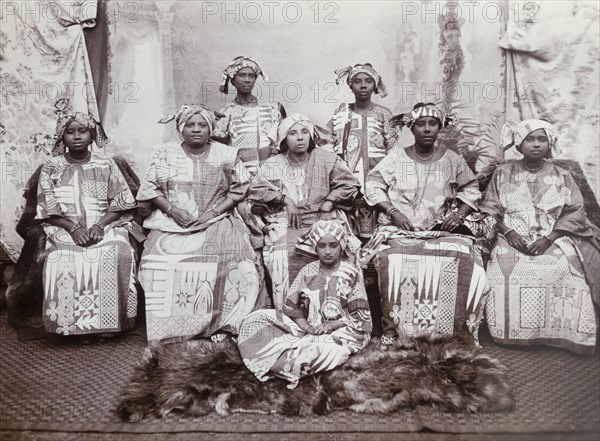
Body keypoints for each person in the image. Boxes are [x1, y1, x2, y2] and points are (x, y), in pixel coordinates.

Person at [362, 103, 488, 346]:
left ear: (440, 127)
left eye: (432, 124)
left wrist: (459, 215)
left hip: (440, 231)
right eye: (421, 124)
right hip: (399, 230)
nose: (427, 129)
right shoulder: (397, 157)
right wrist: (394, 212)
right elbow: (373, 184)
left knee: (463, 257)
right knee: (393, 260)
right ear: (412, 127)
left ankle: (450, 330)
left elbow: (471, 188)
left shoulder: (452, 159)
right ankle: (396, 330)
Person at [136, 104, 260, 343]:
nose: (196, 130)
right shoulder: (165, 153)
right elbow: (150, 188)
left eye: (202, 125)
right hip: (171, 222)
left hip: (218, 219)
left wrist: (212, 212)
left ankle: (225, 324)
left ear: (210, 128)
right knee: (157, 260)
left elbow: (240, 189)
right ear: (180, 128)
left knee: (236, 259)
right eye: (190, 125)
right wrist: (172, 210)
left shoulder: (226, 154)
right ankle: (171, 329)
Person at [482, 119, 600, 355]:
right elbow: (490, 208)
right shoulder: (503, 172)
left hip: (553, 235)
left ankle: (561, 332)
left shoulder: (563, 175)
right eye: (530, 139)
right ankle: (509, 334)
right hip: (511, 235)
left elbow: (575, 211)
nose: (536, 145)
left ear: (549, 143)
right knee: (503, 267)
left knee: (567, 268)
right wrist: (508, 232)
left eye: (542, 139)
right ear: (519, 143)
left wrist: (550, 238)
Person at [35, 109, 138, 336]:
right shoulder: (50, 167)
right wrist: (73, 228)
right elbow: (46, 208)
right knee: (60, 258)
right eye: (70, 132)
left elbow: (121, 201)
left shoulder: (106, 164)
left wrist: (100, 225)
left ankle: (108, 325)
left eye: (83, 131)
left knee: (117, 250)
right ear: (62, 137)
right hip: (63, 226)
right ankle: (69, 326)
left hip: (105, 223)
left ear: (92, 135)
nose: (77, 136)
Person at [237, 220, 372, 389]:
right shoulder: (308, 271)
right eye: (322, 246)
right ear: (315, 247)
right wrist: (308, 328)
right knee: (254, 319)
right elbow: (293, 308)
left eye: (333, 245)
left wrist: (332, 325)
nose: (328, 251)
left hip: (344, 331)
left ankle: (294, 363)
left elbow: (360, 315)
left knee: (335, 351)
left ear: (342, 246)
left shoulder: (351, 272)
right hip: (308, 330)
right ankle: (295, 358)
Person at [248, 113, 361, 311]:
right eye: (293, 133)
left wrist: (329, 202)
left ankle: (333, 311)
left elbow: (349, 183)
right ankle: (291, 313)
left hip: (323, 217)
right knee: (281, 255)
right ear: (284, 139)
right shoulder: (273, 164)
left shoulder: (327, 158)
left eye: (304, 132)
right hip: (285, 221)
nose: (300, 137)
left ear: (311, 136)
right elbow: (256, 189)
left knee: (337, 249)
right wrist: (285, 200)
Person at [328, 63, 399, 239]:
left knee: (378, 230)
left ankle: (374, 263)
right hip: (348, 179)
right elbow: (329, 141)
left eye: (368, 81)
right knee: (349, 230)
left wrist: (387, 179)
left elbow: (394, 149)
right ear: (350, 85)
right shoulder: (342, 112)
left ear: (375, 85)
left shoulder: (383, 113)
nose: (363, 85)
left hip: (378, 178)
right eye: (357, 81)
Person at [212, 56, 286, 173]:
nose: (247, 80)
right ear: (232, 80)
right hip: (240, 175)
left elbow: (285, 141)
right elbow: (220, 151)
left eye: (251, 76)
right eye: (242, 75)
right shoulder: (226, 113)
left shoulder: (273, 107)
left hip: (273, 171)